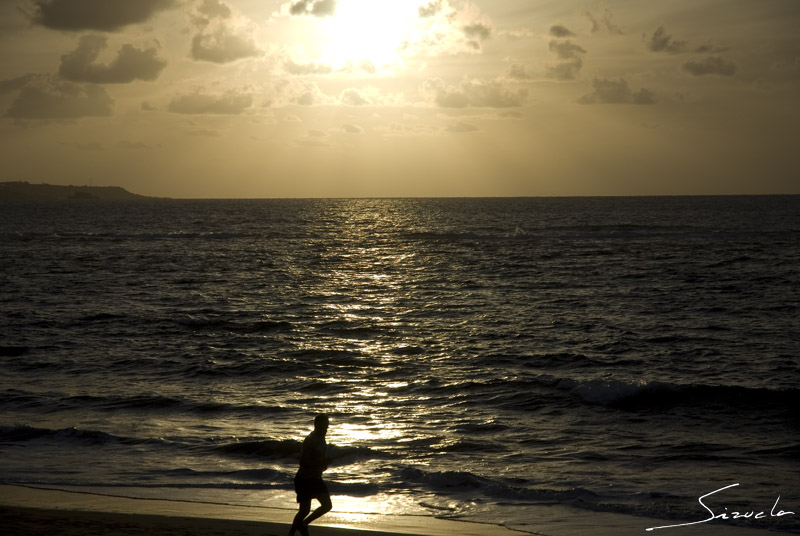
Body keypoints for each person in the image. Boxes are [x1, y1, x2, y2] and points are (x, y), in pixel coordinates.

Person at [290, 414, 332, 536]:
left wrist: (323, 465)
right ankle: (295, 531)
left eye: (327, 426)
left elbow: (318, 458)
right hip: (304, 479)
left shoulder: (321, 438)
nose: (326, 429)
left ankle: (303, 525)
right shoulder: (310, 440)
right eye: (324, 426)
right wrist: (322, 462)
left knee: (326, 505)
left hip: (315, 479)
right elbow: (303, 462)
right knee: (304, 511)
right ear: (317, 425)